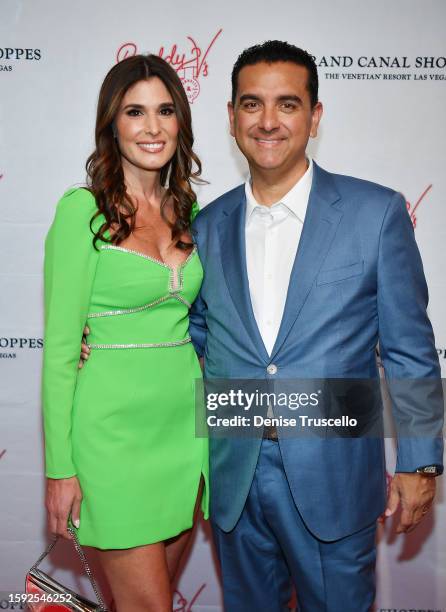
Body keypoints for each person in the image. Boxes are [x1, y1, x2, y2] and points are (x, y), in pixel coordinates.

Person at [188, 41, 444, 611]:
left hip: (334, 475)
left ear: (315, 116)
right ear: (231, 118)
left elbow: (410, 349)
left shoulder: (374, 213)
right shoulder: (207, 225)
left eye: (288, 104)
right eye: (252, 104)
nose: (269, 121)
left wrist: (421, 460)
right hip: (236, 475)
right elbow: (196, 337)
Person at [43, 54, 208, 612]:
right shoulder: (81, 212)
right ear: (112, 124)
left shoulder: (190, 212)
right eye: (135, 112)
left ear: (181, 121)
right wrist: (61, 471)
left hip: (187, 437)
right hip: (112, 440)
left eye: (165, 111)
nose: (152, 127)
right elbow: (62, 352)